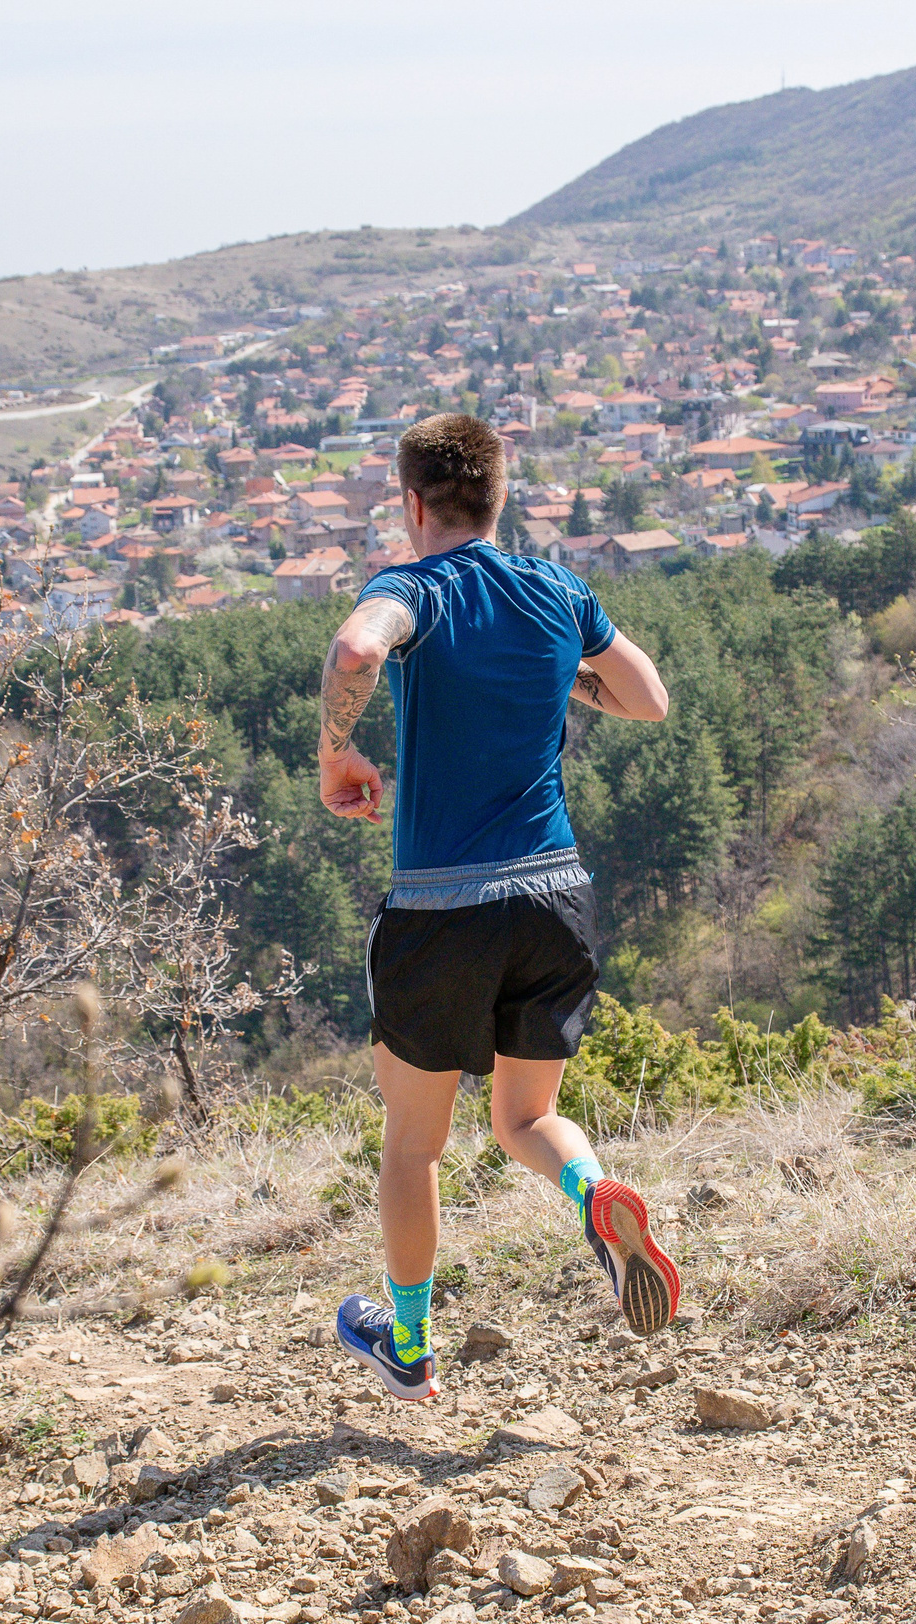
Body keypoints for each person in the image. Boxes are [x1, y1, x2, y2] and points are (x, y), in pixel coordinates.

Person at [316, 411, 680, 1403]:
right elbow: (647, 696)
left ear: (412, 503)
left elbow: (356, 651)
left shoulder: (412, 588)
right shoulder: (558, 589)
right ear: (501, 494)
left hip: (441, 909)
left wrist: (335, 752)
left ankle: (410, 1341)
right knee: (528, 1115)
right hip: (555, 899)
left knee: (415, 1141)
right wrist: (568, 679)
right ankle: (594, 1194)